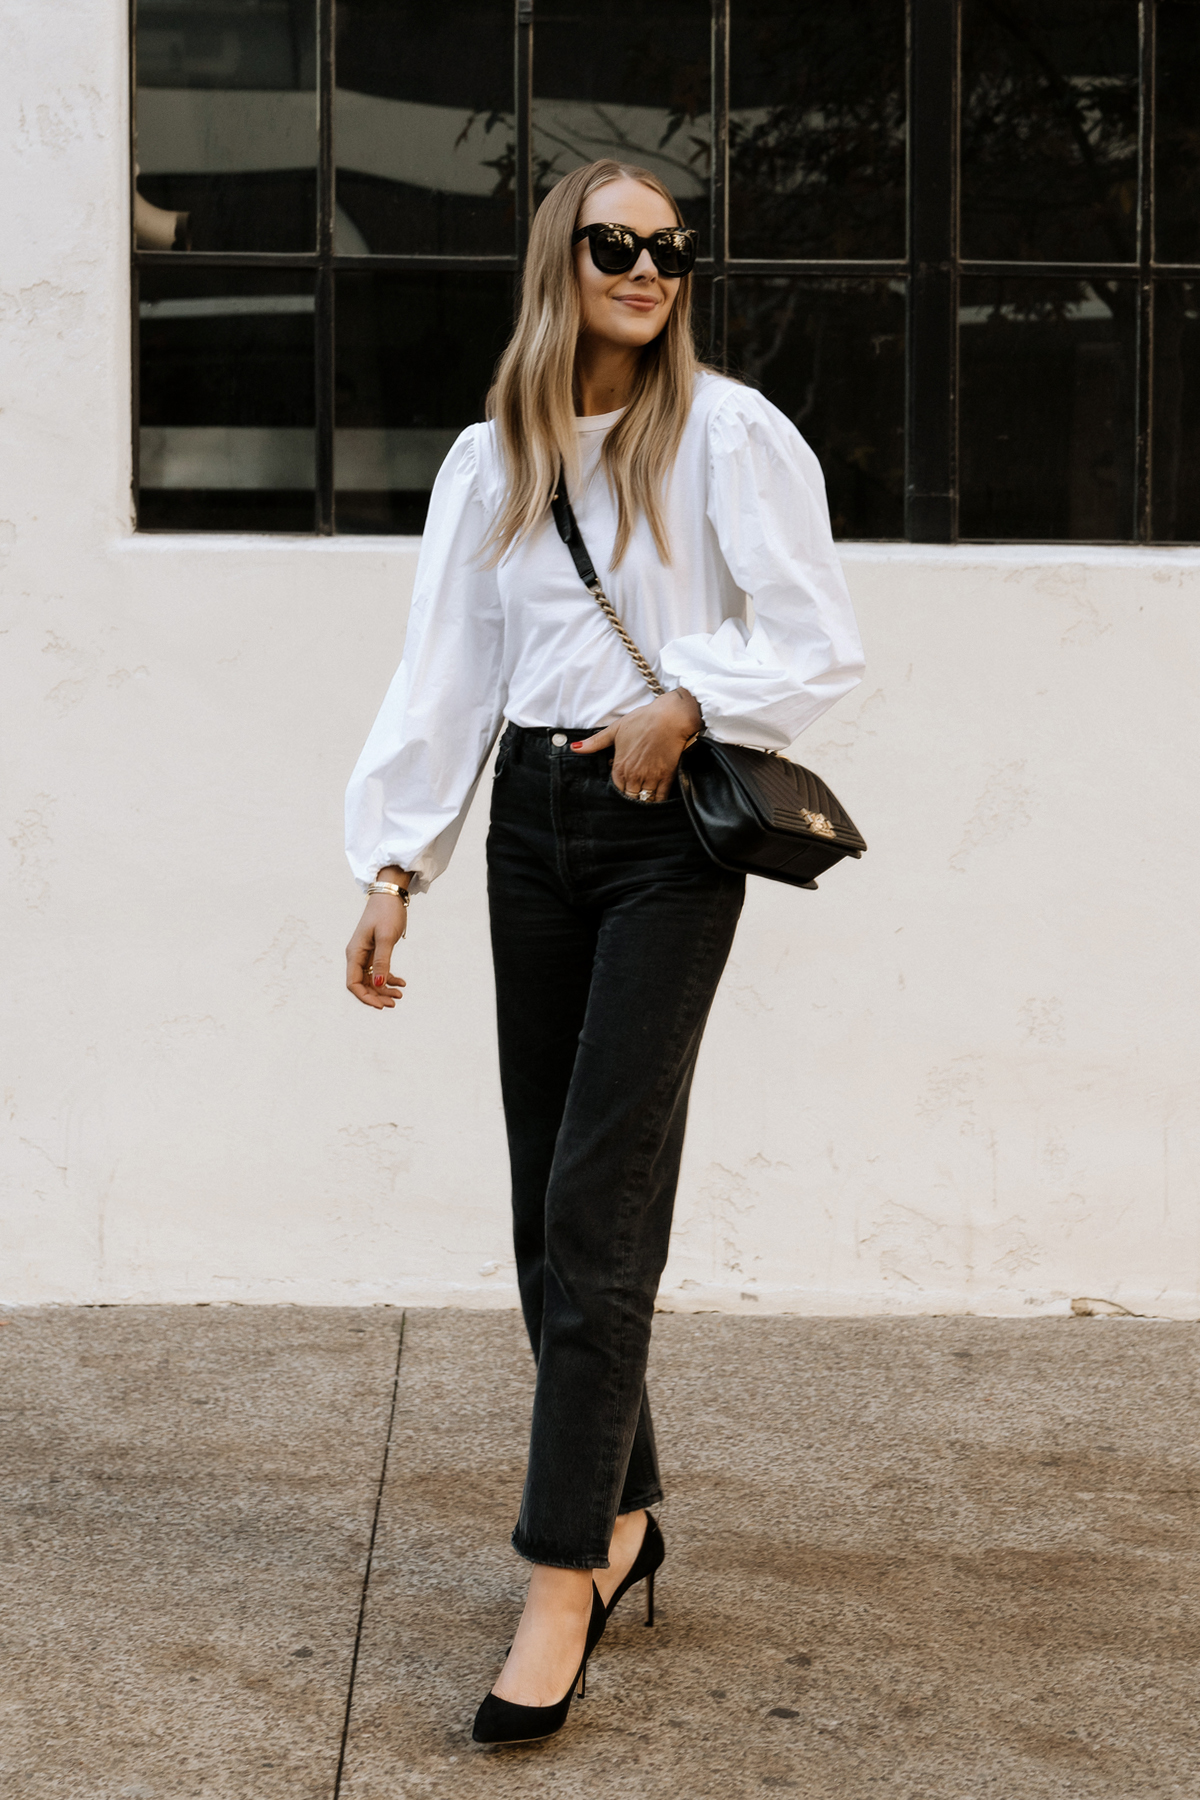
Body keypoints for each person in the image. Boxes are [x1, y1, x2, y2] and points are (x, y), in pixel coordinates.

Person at [344, 157, 864, 1745]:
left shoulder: (728, 433)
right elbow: (447, 667)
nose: (648, 269)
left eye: (671, 249)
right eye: (614, 244)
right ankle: (627, 1509)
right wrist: (392, 859)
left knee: (599, 1192)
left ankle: (560, 1567)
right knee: (539, 1201)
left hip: (662, 838)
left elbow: (816, 636)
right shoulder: (486, 459)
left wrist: (688, 698)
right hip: (527, 833)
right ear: (557, 262)